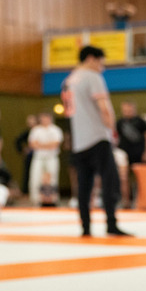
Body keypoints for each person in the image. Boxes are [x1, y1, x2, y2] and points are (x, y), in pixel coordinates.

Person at [61, 45, 131, 237]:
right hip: (97, 137)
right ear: (91, 59)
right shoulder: (92, 77)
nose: (102, 67)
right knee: (110, 182)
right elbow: (104, 108)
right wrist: (112, 131)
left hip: (79, 141)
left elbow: (69, 113)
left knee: (84, 186)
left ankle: (85, 227)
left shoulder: (68, 81)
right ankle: (111, 223)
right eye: (101, 62)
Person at [28, 111, 63, 207]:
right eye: (42, 118)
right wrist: (46, 145)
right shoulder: (36, 130)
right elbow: (33, 144)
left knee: (52, 178)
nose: (44, 120)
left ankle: (52, 200)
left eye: (46, 118)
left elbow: (55, 144)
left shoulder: (55, 130)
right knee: (35, 178)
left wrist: (41, 145)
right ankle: (36, 200)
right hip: (38, 158)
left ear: (50, 119)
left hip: (51, 157)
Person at [15, 113, 37, 194]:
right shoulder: (27, 132)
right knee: (28, 174)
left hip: (40, 156)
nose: (30, 123)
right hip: (30, 156)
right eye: (28, 122)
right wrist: (23, 149)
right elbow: (18, 141)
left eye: (32, 121)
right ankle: (26, 192)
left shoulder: (40, 131)